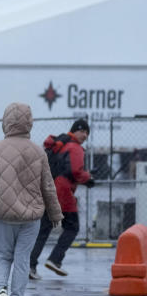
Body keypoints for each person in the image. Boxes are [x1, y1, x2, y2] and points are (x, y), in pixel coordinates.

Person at [0, 103, 63, 296]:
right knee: (22, 260)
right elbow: (48, 186)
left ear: (5, 121)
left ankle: (0, 291)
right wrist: (55, 215)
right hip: (31, 217)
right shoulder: (38, 151)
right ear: (29, 122)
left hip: (3, 213)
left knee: (2, 256)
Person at [29, 119, 93, 279]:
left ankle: (29, 266)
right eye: (82, 131)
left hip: (49, 190)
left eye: (87, 133)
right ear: (75, 131)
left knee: (43, 231)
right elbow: (75, 171)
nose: (85, 135)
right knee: (72, 227)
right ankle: (55, 259)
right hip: (63, 193)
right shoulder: (75, 148)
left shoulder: (61, 144)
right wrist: (89, 178)